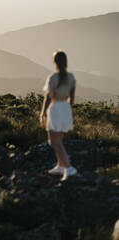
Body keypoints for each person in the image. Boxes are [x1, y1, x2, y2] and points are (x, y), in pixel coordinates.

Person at [40, 50, 77, 181]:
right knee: (58, 140)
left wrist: (43, 113)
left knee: (53, 141)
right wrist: (67, 110)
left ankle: (68, 167)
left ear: (55, 62)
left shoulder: (53, 78)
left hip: (55, 108)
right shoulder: (71, 77)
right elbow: (71, 98)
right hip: (65, 108)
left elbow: (48, 98)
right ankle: (60, 166)